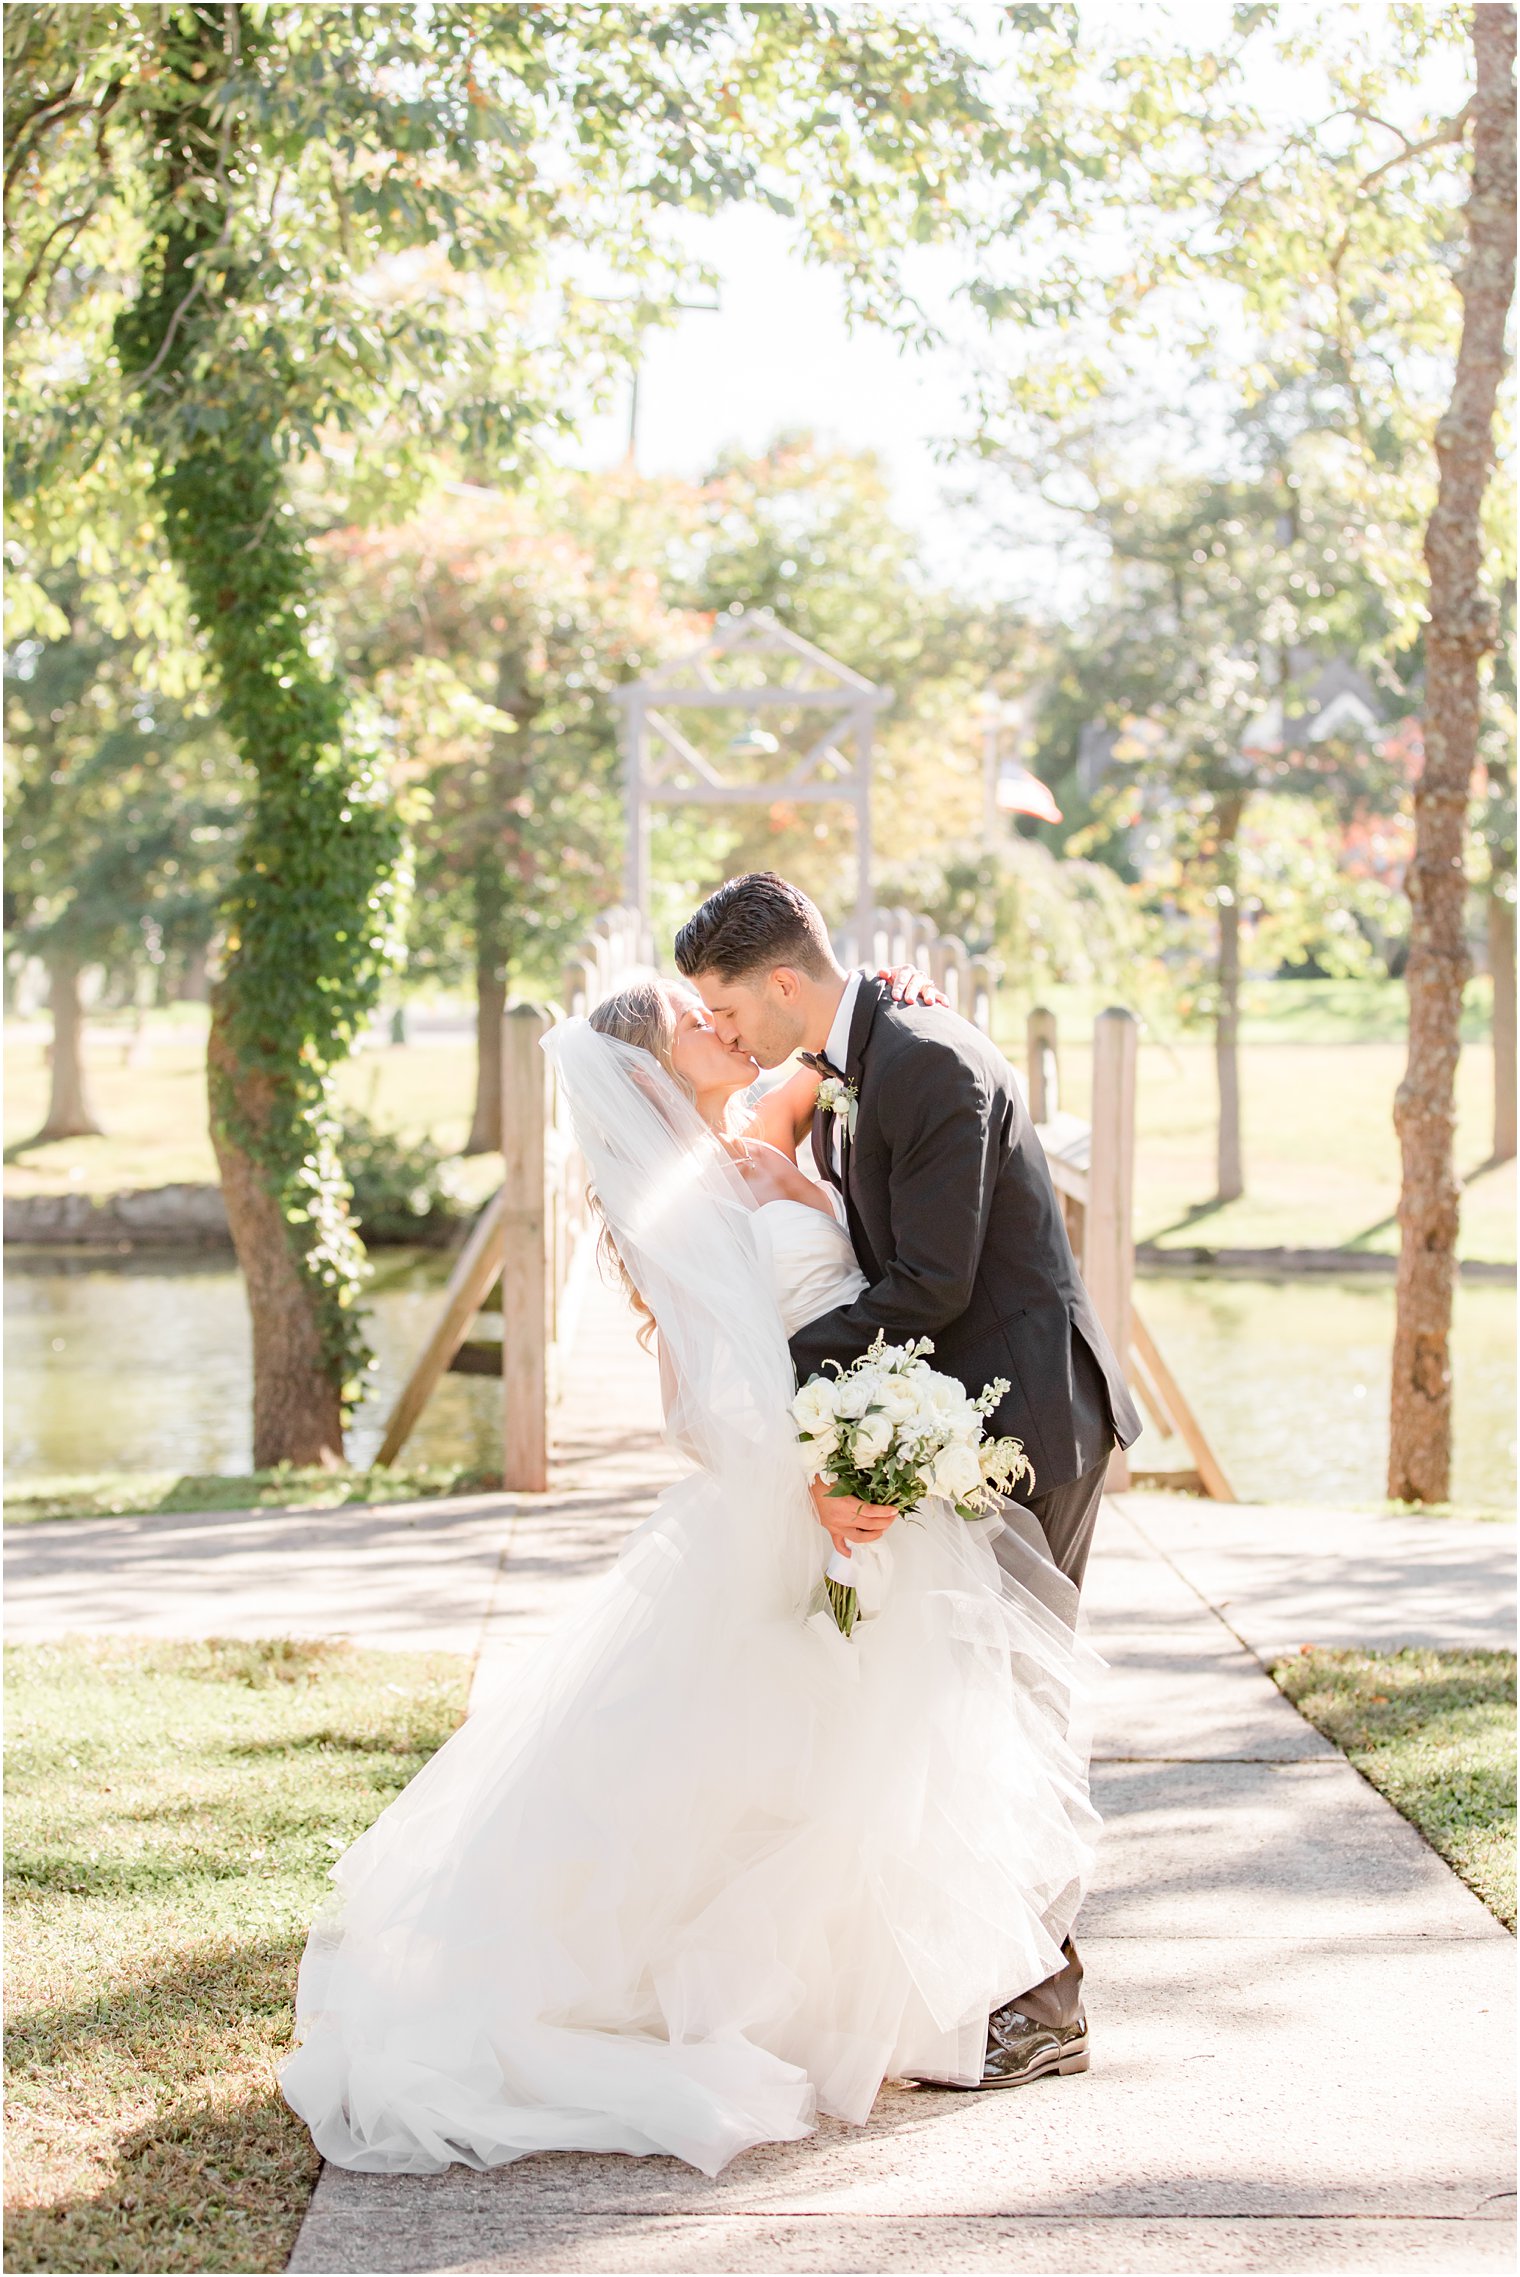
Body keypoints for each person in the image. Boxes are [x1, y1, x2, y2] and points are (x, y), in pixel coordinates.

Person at [279, 969, 1100, 2178]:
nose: (719, 1028)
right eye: (692, 1022)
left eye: (719, 1010)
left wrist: (879, 1008)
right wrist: (819, 1472)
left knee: (886, 1744)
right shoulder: (673, 1197)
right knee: (840, 1747)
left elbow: (836, 1052)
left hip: (871, 1468)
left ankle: (964, 1991)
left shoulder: (752, 1132)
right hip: (814, 1497)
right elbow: (708, 1402)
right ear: (655, 1068)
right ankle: (891, 1999)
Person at [675, 872, 1141, 2090]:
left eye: (726, 1008)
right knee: (964, 1702)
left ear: (782, 982)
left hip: (1023, 1419)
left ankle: (1046, 2004)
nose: (721, 1034)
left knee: (1016, 1705)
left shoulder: (922, 1060)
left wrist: (777, 1378)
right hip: (959, 1413)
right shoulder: (860, 1058)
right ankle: (994, 1982)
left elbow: (928, 1287)